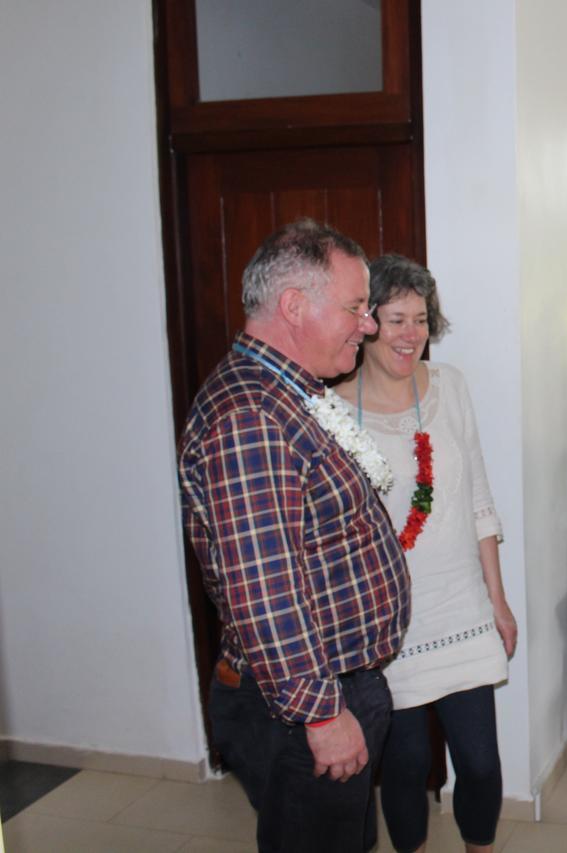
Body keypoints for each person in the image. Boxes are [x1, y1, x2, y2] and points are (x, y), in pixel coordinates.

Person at [178, 220, 410, 852]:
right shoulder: (252, 416)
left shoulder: (286, 394)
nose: (368, 325)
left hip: (330, 686)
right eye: (357, 308)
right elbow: (265, 589)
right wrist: (323, 713)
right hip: (304, 703)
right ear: (293, 306)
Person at [331, 255, 516, 853]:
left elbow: (479, 500)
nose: (410, 334)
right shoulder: (332, 408)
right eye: (394, 318)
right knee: (406, 767)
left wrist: (499, 600)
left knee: (481, 765)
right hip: (387, 622)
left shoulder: (451, 386)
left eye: (421, 319)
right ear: (366, 323)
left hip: (462, 605)